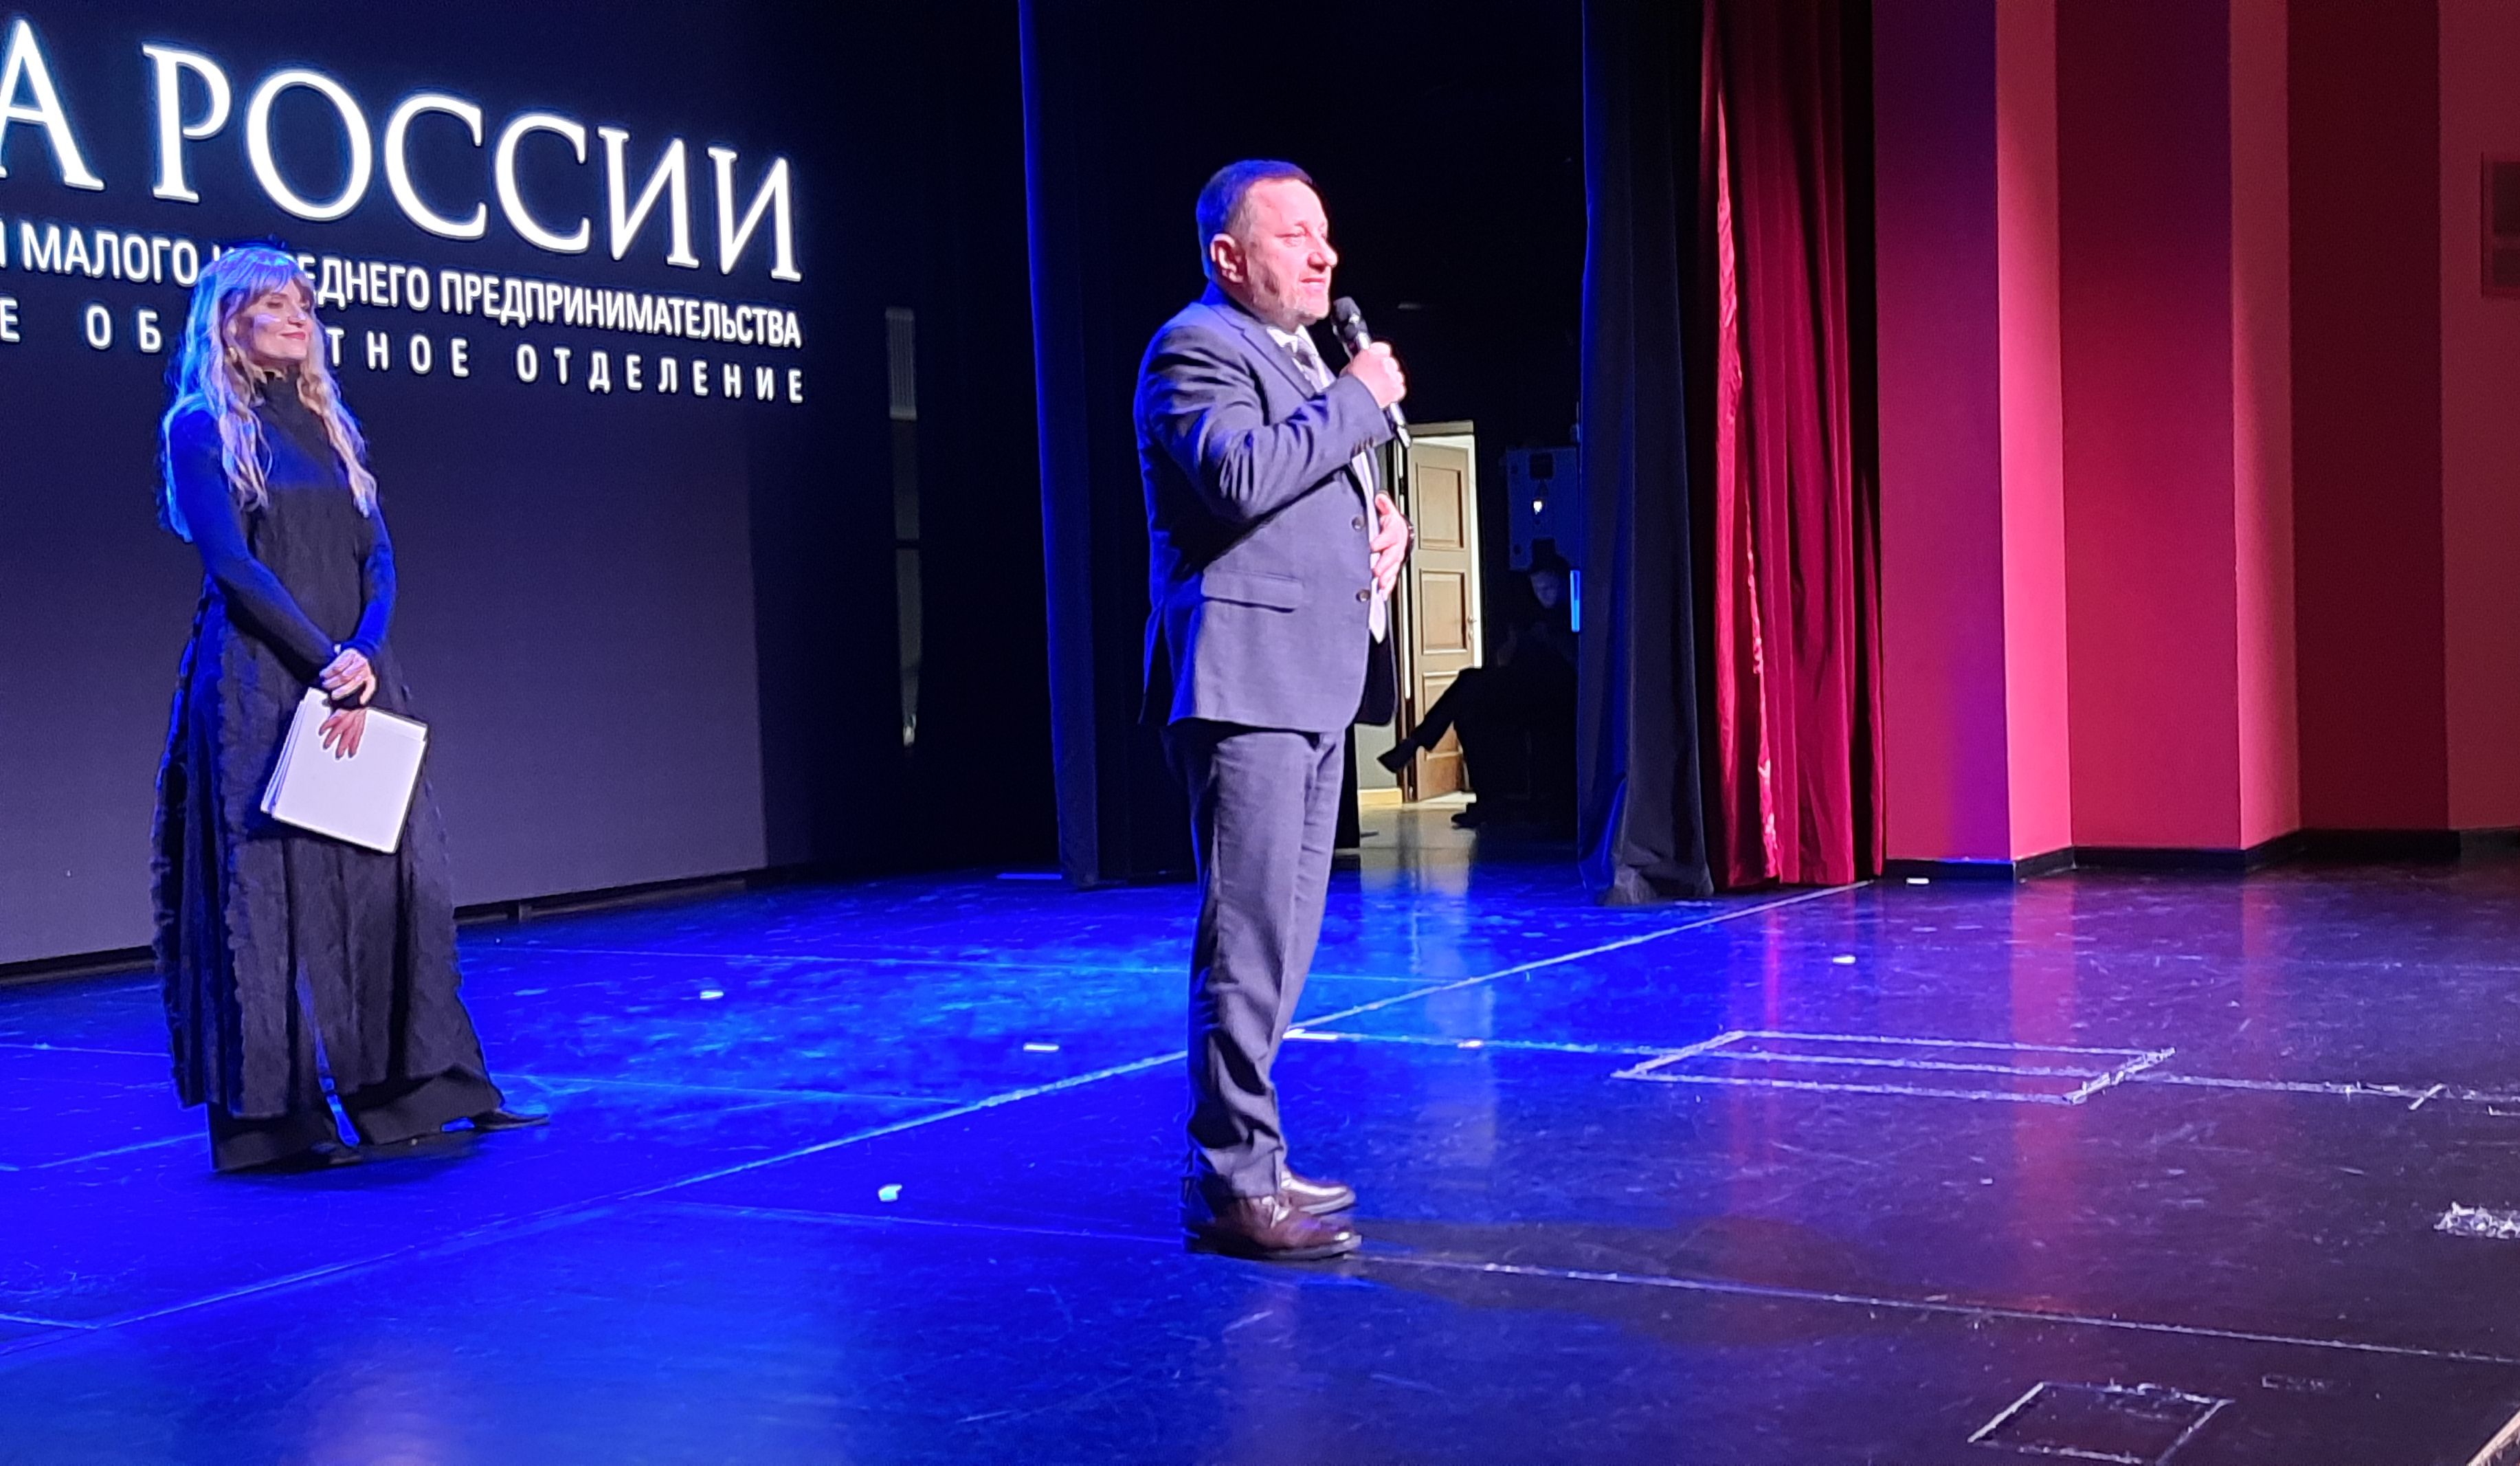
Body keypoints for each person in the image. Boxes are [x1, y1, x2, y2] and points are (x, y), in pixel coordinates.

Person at [150, 245, 544, 1173]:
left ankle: (422, 1091)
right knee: (269, 894)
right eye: (275, 304)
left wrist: (363, 649)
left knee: (393, 880)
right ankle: (277, 1126)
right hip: (260, 678)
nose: (300, 317)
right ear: (229, 320)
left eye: (304, 303)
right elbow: (232, 564)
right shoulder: (202, 426)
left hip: (359, 675)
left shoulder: (328, 424)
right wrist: (323, 659)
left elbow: (380, 557)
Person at [1136, 161, 1412, 1260]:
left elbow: (1302, 498)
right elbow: (1238, 478)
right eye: (1294, 234)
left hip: (1308, 679)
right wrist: (1358, 400)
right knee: (1247, 943)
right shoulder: (1194, 346)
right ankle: (1230, 1183)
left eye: (1324, 232)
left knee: (1284, 946)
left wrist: (1376, 534)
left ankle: (1253, 1154)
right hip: (1243, 683)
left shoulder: (1299, 358)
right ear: (1229, 256)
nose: (1322, 252)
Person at [1380, 548, 1577, 829]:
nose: (1543, 594)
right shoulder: (1529, 615)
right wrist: (1516, 643)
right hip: (1523, 691)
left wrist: (1550, 640)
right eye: (1538, 588)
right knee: (1469, 713)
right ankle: (1487, 801)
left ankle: (1414, 743)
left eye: (1549, 587)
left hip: (1557, 697)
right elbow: (1505, 662)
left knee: (1469, 681)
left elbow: (1576, 666)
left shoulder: (1572, 617)